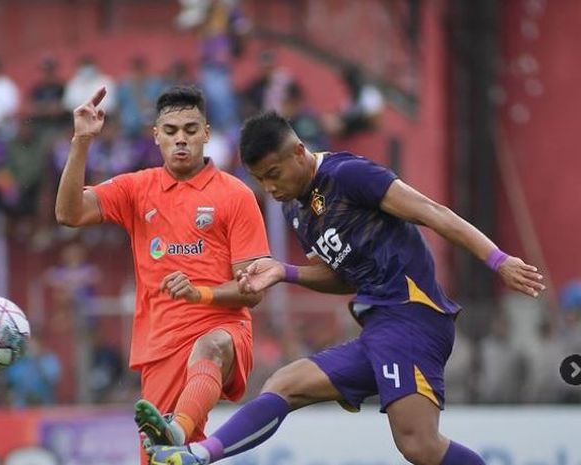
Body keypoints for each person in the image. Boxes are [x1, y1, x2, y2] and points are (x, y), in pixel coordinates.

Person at [147, 111, 545, 464]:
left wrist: (498, 260)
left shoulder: (348, 175)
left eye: (274, 174)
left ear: (298, 152)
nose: (269, 187)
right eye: (259, 179)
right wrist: (283, 271)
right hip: (378, 329)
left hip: (411, 316)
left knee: (420, 446)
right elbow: (341, 275)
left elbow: (432, 212)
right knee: (285, 385)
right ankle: (198, 455)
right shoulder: (296, 209)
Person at [54, 86, 271, 463]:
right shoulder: (137, 188)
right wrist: (82, 142)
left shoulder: (236, 195)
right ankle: (174, 437)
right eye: (170, 131)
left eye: (190, 129)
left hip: (223, 330)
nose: (181, 139)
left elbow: (252, 289)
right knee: (164, 460)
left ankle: (177, 428)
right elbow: (68, 214)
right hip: (159, 347)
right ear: (156, 136)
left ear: (207, 133)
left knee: (211, 347)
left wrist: (198, 294)